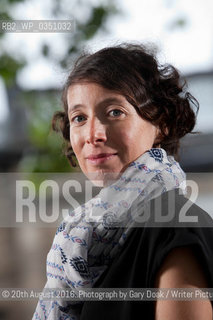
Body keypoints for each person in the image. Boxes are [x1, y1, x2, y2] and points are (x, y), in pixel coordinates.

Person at [32, 43, 213, 319]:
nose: (93, 134)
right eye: (79, 118)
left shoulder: (174, 227)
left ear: (161, 123)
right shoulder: (83, 241)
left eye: (115, 112)